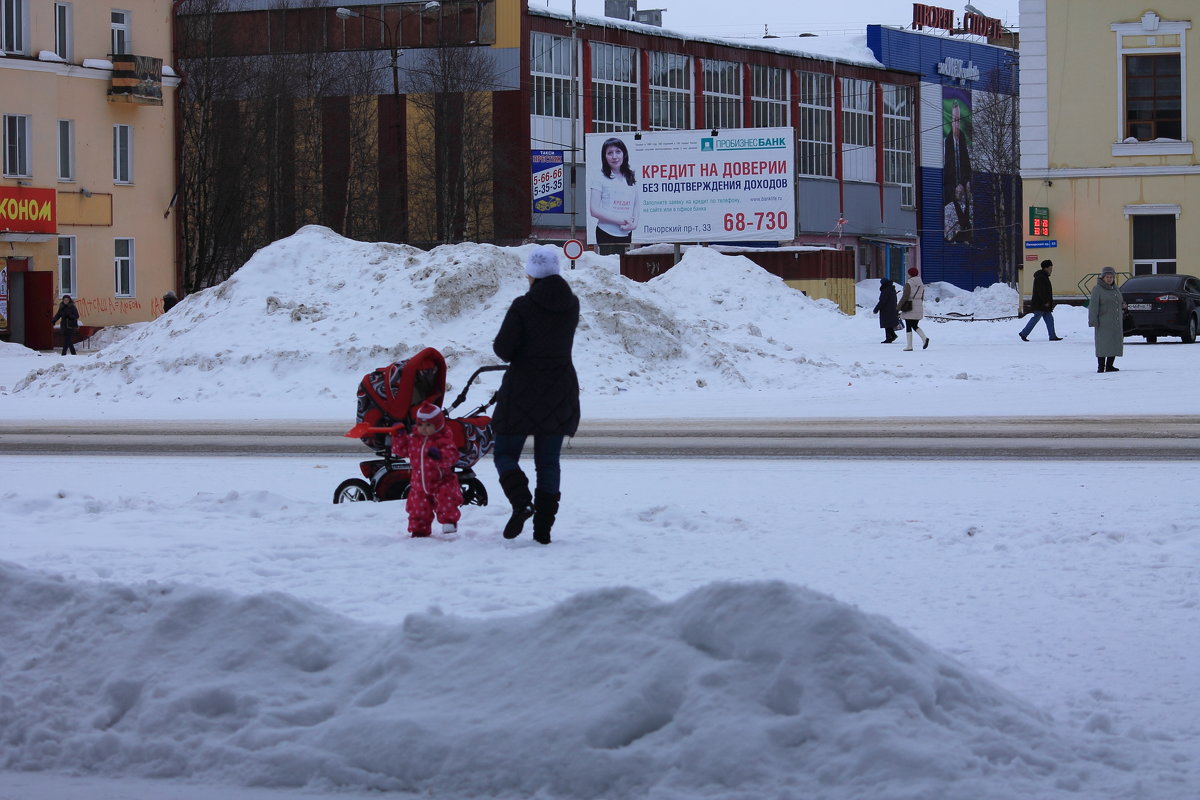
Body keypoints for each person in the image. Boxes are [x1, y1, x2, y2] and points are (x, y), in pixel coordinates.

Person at [492, 245, 580, 545]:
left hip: (522, 391)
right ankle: (543, 530)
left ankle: (521, 502)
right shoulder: (572, 305)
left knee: (504, 452)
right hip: (560, 390)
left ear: (531, 272)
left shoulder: (522, 306)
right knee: (548, 462)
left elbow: (503, 350)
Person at [390, 402, 463, 537]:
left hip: (441, 481)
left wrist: (440, 456)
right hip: (419, 484)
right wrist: (398, 436)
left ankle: (449, 521)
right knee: (417, 508)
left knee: (446, 500)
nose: (423, 429)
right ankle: (419, 529)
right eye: (420, 425)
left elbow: (452, 456)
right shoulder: (414, 440)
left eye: (428, 425)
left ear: (438, 425)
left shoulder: (443, 440)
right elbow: (401, 450)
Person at [589, 137, 638, 255]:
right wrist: (621, 221)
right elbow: (594, 210)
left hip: (626, 232)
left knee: (624, 268)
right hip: (606, 233)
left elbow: (636, 204)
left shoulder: (630, 176)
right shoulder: (599, 177)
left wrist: (634, 224)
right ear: (604, 157)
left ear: (624, 154)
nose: (614, 156)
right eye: (610, 153)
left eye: (618, 152)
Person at [942, 99, 972, 243]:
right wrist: (955, 186)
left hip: (962, 187)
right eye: (954, 120)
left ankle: (965, 234)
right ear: (951, 120)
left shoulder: (963, 139)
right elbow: (946, 171)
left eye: (959, 120)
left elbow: (967, 164)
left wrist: (965, 182)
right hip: (951, 189)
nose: (957, 123)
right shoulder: (947, 141)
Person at [1089, 266, 1126, 373]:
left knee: (1114, 343)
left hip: (1115, 321)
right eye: (1107, 277)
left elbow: (1119, 301)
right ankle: (1101, 366)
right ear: (1103, 277)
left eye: (1111, 277)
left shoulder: (1115, 289)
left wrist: (1123, 305)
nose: (1109, 279)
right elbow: (1093, 306)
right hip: (1103, 322)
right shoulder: (1097, 289)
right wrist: (1093, 320)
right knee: (1103, 344)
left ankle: (1110, 365)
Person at [1019, 260, 1063, 341]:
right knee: (1036, 318)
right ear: (1045, 268)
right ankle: (1024, 333)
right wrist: (1045, 301)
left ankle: (1052, 336)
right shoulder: (1041, 277)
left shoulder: (1043, 276)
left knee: (1049, 319)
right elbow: (1041, 291)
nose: (1051, 270)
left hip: (1042, 303)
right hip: (1040, 303)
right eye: (1050, 268)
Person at [898, 267, 931, 351]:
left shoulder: (909, 283)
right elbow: (922, 296)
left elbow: (905, 296)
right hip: (918, 305)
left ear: (910, 274)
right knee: (915, 325)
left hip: (909, 306)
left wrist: (898, 307)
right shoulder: (921, 284)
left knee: (909, 325)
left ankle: (909, 346)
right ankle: (924, 339)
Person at [872, 277, 900, 343]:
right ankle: (892, 335)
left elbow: (882, 301)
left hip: (886, 309)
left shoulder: (885, 290)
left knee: (887, 324)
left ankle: (889, 337)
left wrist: (876, 309)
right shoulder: (892, 289)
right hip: (892, 308)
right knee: (889, 324)